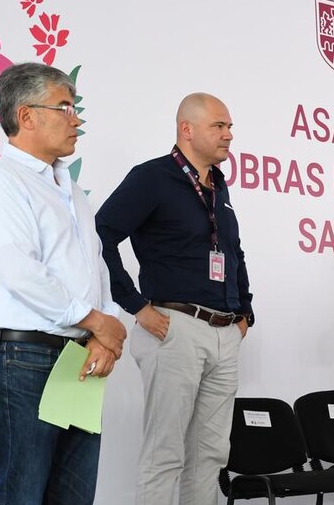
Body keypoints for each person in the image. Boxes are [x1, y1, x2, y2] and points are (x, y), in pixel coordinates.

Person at [0, 62, 126, 504]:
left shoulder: (69, 190)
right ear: (26, 116)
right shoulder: (1, 183)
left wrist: (103, 334)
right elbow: (20, 271)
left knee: (73, 497)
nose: (77, 121)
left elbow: (96, 266)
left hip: (77, 358)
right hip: (24, 359)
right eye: (65, 108)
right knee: (23, 496)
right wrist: (96, 320)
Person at [96, 93, 254, 504]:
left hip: (224, 331)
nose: (229, 135)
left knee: (212, 454)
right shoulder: (152, 177)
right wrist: (135, 304)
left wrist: (245, 314)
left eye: (230, 127)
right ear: (187, 129)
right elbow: (101, 237)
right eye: (219, 126)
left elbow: (233, 252)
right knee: (164, 453)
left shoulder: (218, 186)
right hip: (174, 326)